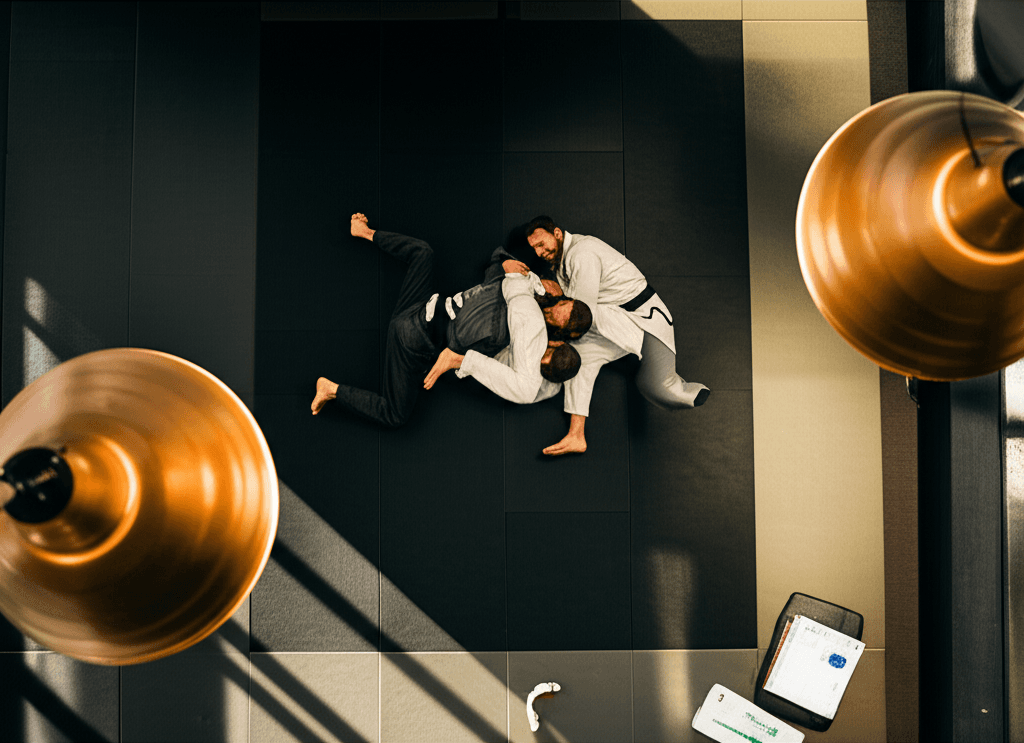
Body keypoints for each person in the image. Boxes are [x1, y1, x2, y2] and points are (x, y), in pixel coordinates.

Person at [311, 214, 591, 426]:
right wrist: (507, 265)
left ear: (555, 334)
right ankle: (366, 232)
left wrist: (509, 269)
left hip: (418, 326)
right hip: (416, 319)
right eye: (556, 299)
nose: (551, 299)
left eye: (555, 313)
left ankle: (331, 389)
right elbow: (496, 263)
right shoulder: (515, 284)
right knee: (423, 253)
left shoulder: (516, 304)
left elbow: (526, 378)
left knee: (424, 255)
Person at [524, 215, 710, 455]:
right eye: (534, 248)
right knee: (582, 357)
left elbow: (582, 316)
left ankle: (693, 392)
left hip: (644, 319)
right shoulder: (562, 262)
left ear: (557, 233)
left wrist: (551, 337)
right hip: (615, 321)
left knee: (659, 388)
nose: (539, 252)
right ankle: (576, 435)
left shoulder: (582, 252)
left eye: (541, 244)